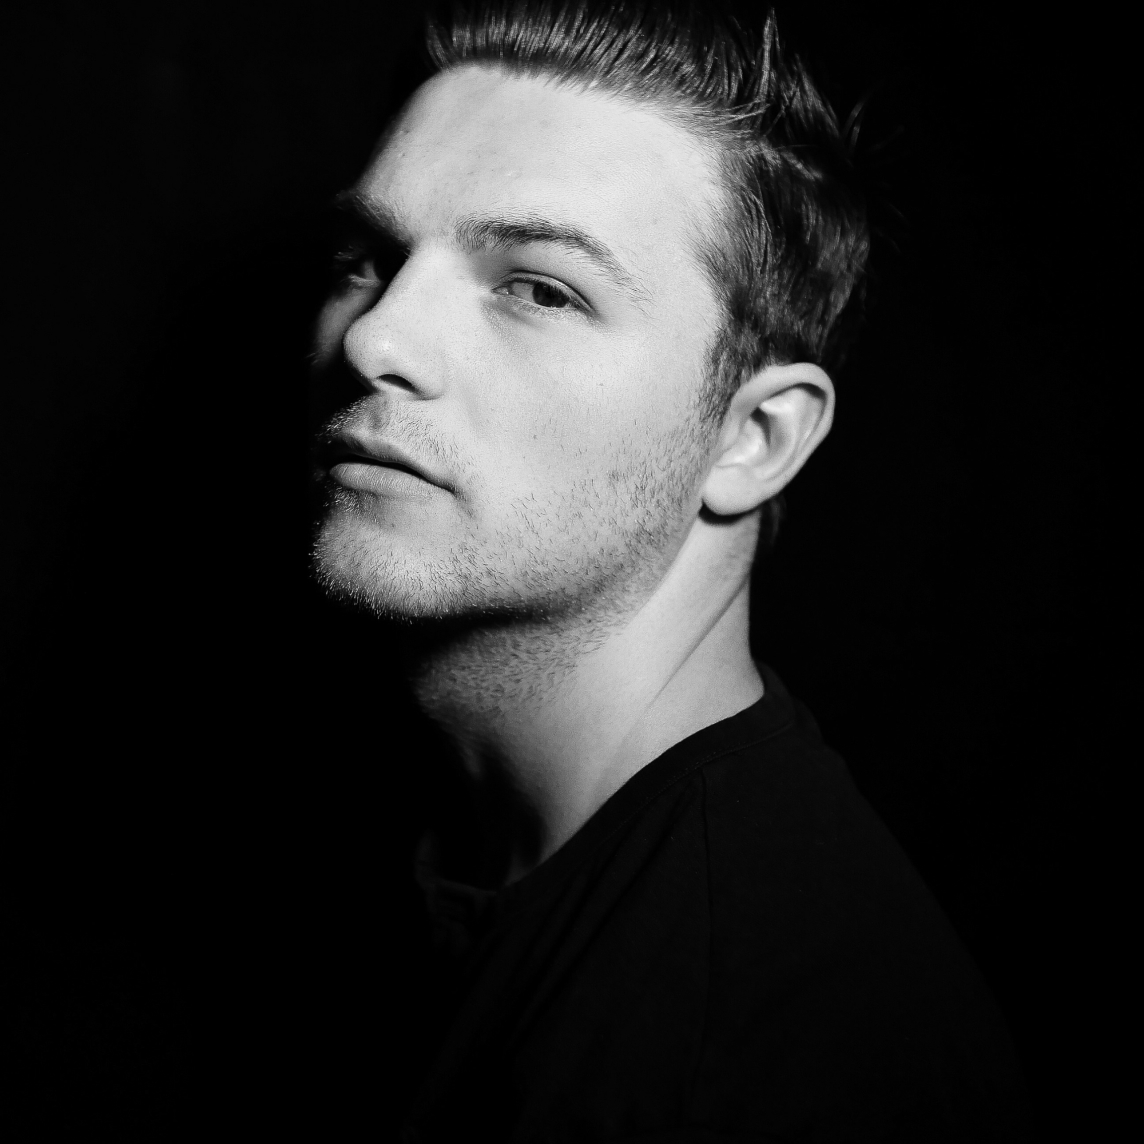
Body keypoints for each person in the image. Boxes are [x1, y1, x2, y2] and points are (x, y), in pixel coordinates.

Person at [309, 1, 1031, 1139]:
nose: (373, 339)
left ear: (753, 439)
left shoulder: (760, 1052)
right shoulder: (478, 871)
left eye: (539, 288)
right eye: (368, 260)